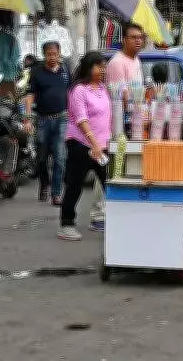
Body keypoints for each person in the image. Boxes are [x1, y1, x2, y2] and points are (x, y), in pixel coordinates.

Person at [58, 51, 111, 242]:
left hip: (102, 145)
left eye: (104, 66)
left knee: (109, 183)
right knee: (75, 184)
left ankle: (111, 218)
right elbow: (81, 119)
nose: (103, 70)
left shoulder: (103, 88)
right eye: (99, 66)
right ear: (89, 68)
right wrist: (93, 143)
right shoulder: (78, 90)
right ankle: (67, 223)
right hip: (81, 144)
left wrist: (104, 143)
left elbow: (106, 117)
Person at [99, 23, 144, 231]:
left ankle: (120, 207)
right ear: (124, 40)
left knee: (126, 165)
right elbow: (122, 96)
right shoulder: (118, 63)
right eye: (134, 37)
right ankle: (99, 211)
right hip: (118, 122)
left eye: (141, 37)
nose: (138, 40)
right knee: (113, 165)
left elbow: (137, 92)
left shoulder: (136, 60)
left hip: (133, 119)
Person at [24, 41, 71, 205]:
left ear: (59, 54)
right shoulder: (37, 72)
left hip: (62, 119)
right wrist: (28, 118)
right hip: (43, 120)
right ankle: (44, 184)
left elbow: (71, 93)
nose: (52, 57)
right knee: (42, 158)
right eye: (49, 54)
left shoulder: (65, 71)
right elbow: (30, 95)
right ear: (44, 55)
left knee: (60, 158)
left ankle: (56, 193)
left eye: (55, 54)